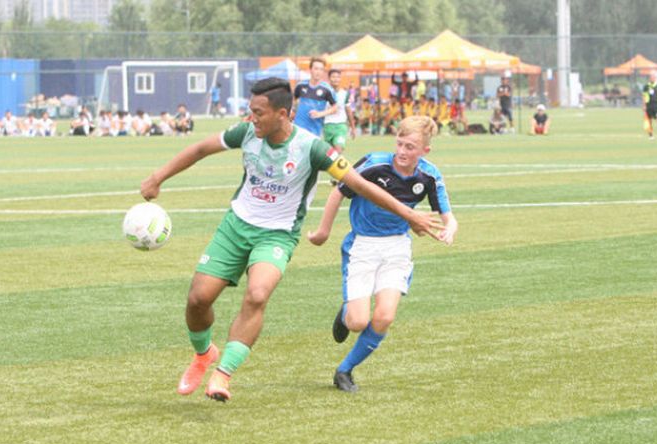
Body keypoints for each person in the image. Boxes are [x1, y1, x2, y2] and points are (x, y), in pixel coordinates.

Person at [139, 78, 443, 403]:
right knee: (198, 300)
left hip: (278, 235)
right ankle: (203, 355)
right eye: (250, 111)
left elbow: (362, 186)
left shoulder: (313, 148)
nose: (251, 118)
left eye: (258, 112)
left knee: (257, 294)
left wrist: (410, 216)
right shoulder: (245, 133)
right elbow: (200, 149)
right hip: (235, 226)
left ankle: (223, 375)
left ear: (282, 114)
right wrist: (158, 177)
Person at [307, 115, 458, 393]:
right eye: (399, 144)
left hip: (397, 248)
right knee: (358, 321)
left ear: (425, 150)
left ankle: (344, 370)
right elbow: (338, 192)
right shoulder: (374, 164)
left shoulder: (429, 175)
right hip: (362, 247)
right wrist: (323, 232)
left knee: (384, 317)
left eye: (410, 147)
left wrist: (450, 229)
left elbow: (449, 216)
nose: (402, 151)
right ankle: (345, 314)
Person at [293, 56, 337, 137]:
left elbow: (335, 108)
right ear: (310, 70)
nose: (318, 72)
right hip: (298, 128)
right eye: (316, 68)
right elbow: (292, 100)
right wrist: (293, 111)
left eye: (321, 69)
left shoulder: (327, 89)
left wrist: (320, 114)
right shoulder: (300, 85)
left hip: (314, 131)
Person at [323, 69, 356, 153]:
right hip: (327, 126)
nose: (336, 79)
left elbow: (348, 111)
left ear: (340, 79)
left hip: (340, 126)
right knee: (329, 155)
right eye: (333, 77)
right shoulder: (324, 93)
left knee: (338, 150)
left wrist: (353, 127)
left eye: (338, 77)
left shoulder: (345, 94)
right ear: (329, 78)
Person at [642, 73, 657, 140]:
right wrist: (644, 105)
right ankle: (651, 136)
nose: (652, 79)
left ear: (655, 78)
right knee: (649, 121)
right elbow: (643, 96)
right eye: (651, 77)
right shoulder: (646, 86)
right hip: (648, 105)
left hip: (656, 105)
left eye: (654, 77)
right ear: (649, 78)